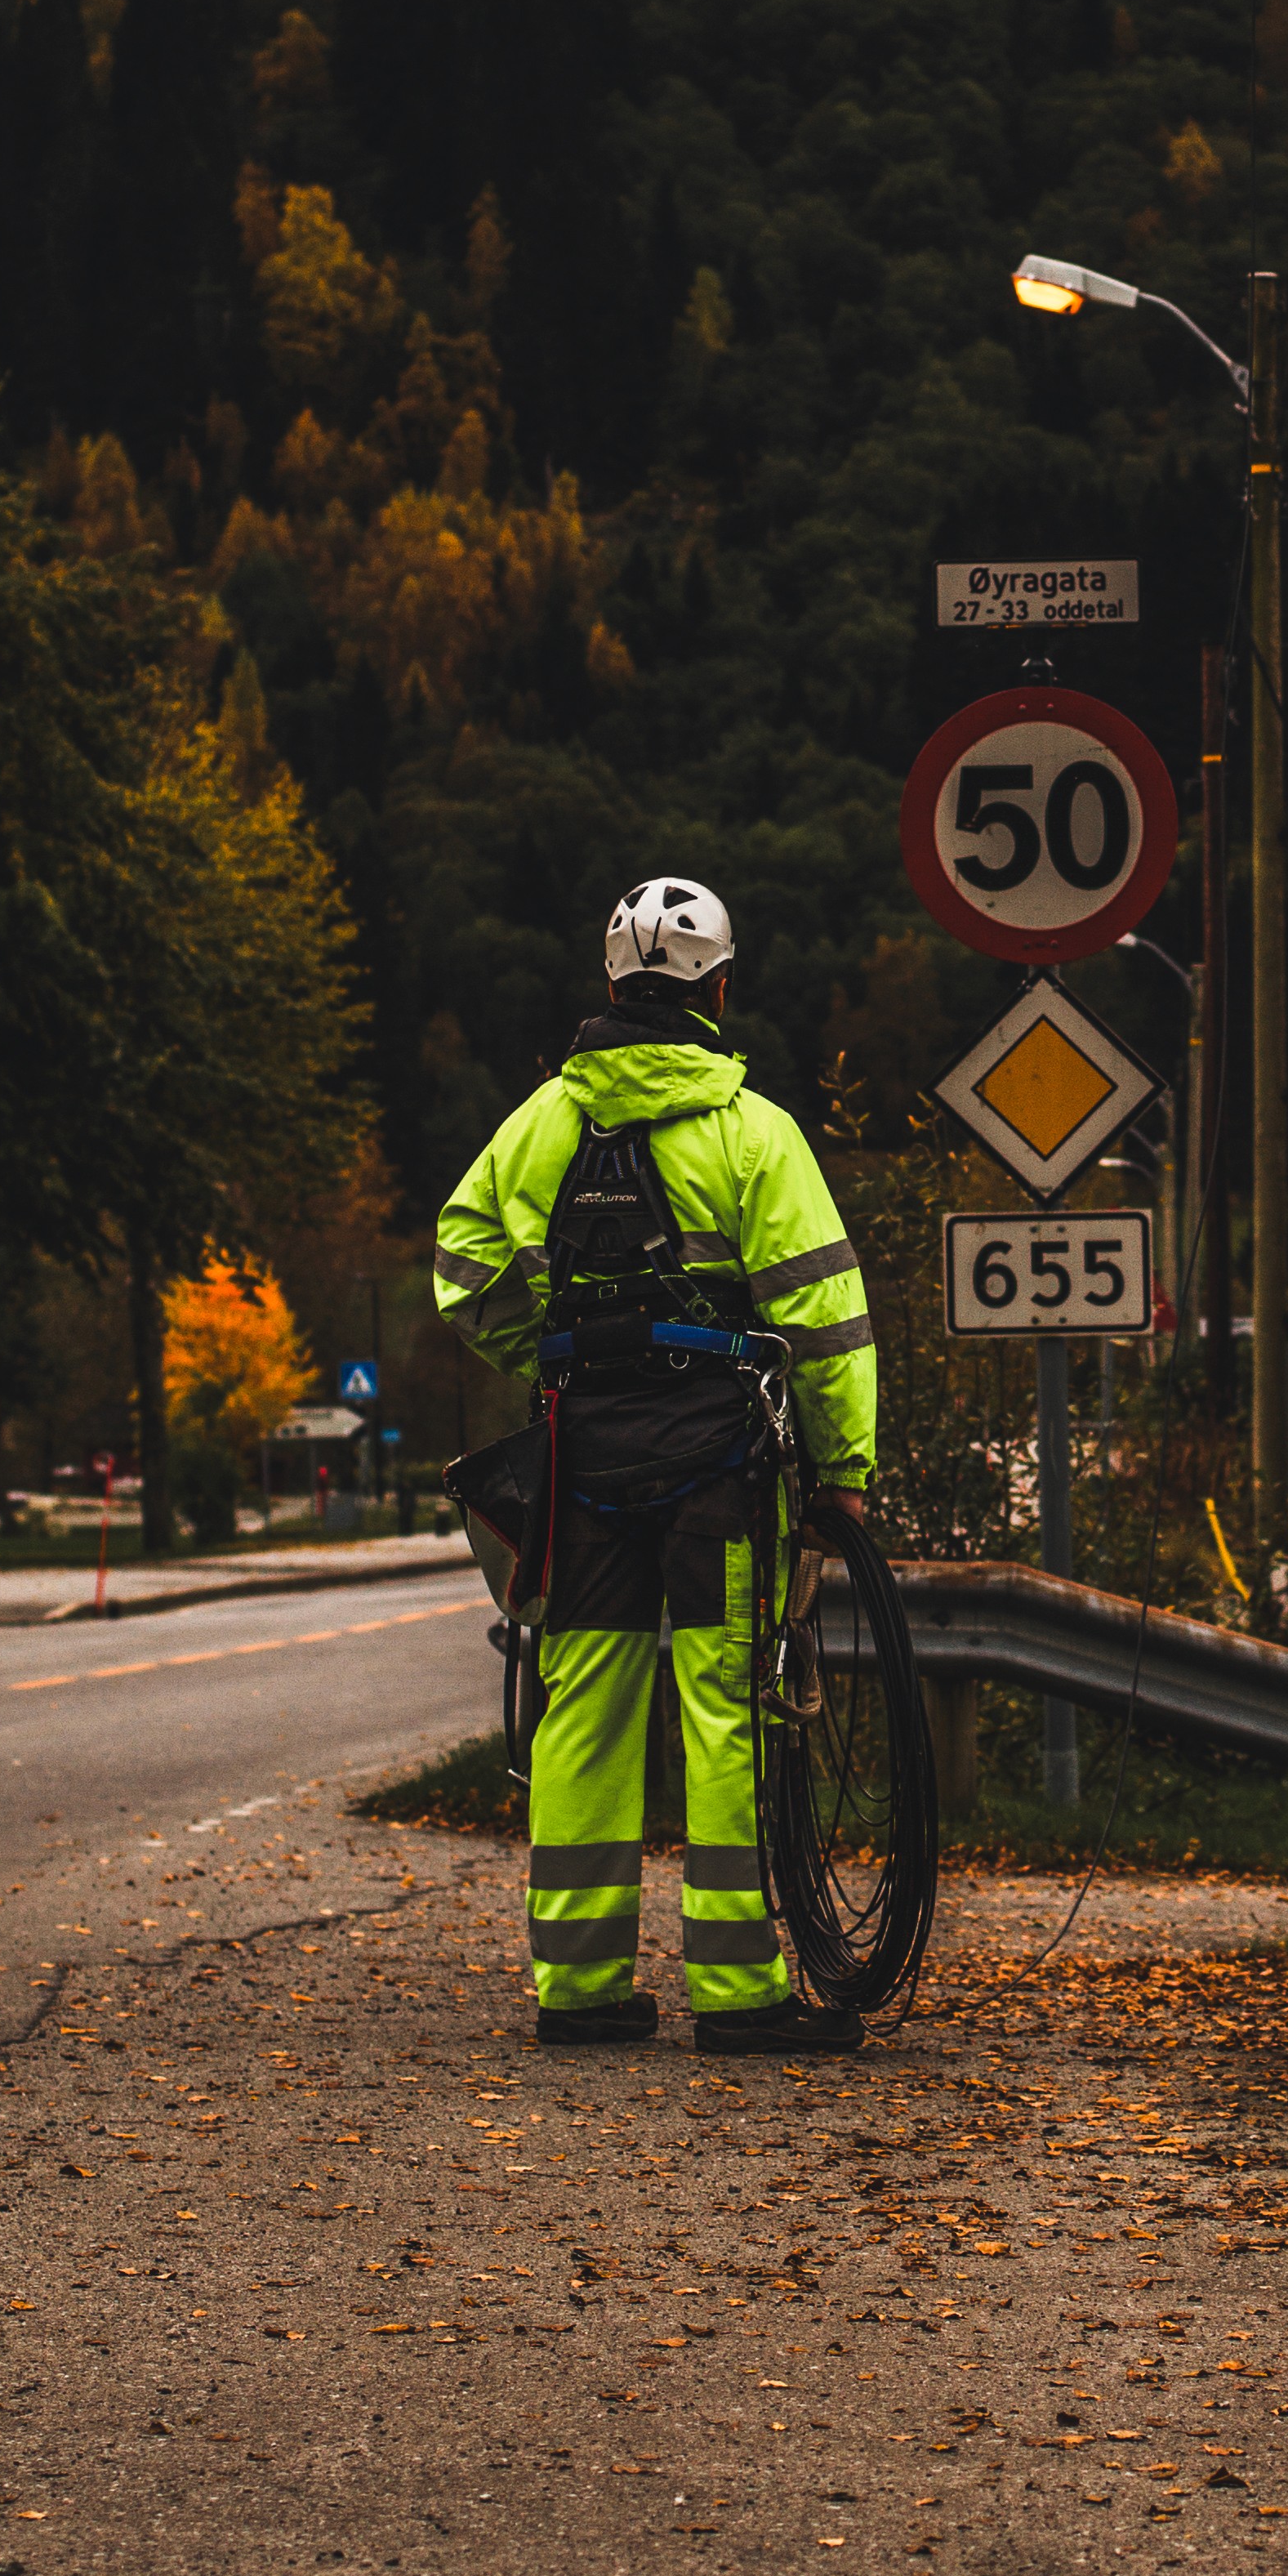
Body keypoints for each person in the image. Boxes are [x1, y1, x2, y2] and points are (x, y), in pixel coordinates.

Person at [433, 874, 876, 2058]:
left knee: (583, 1704)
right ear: (720, 991)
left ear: (610, 987)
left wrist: (551, 1350)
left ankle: (578, 1989)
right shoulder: (753, 1133)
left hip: (581, 1458)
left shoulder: (543, 1123)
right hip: (716, 1458)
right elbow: (826, 1322)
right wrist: (844, 1472)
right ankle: (737, 1996)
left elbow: (464, 1256)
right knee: (723, 1708)